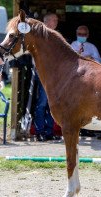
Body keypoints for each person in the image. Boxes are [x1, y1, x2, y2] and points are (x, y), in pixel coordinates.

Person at [71, 25, 101, 137]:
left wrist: (90, 59)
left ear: (87, 35)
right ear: (76, 34)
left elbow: (99, 60)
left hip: (89, 79)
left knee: (89, 103)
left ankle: (89, 129)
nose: (82, 36)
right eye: (80, 34)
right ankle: (79, 128)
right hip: (75, 79)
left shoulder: (91, 47)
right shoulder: (72, 45)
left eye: (84, 35)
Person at [34, 13, 59, 141]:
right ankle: (39, 132)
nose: (56, 22)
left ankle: (49, 132)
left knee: (52, 104)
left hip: (56, 76)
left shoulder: (55, 36)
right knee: (42, 103)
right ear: (46, 21)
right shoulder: (40, 35)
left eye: (56, 20)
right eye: (54, 20)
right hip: (44, 74)